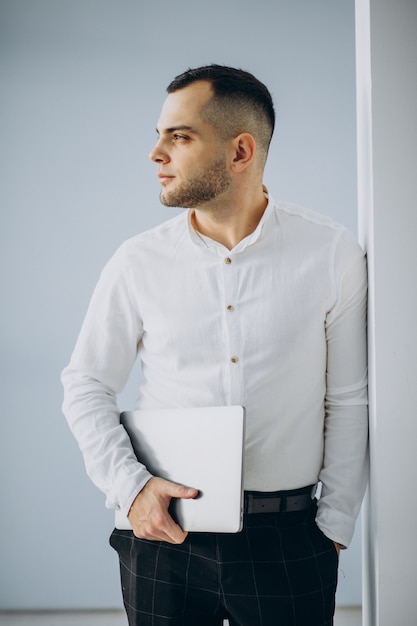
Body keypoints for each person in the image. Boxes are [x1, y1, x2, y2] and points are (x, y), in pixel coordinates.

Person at [61, 64, 368, 626]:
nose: (156, 154)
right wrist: (131, 490)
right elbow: (85, 385)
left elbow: (349, 399)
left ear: (241, 151)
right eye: (159, 135)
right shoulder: (137, 261)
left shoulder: (331, 252)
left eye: (179, 137)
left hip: (290, 539)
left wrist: (335, 527)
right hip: (162, 533)